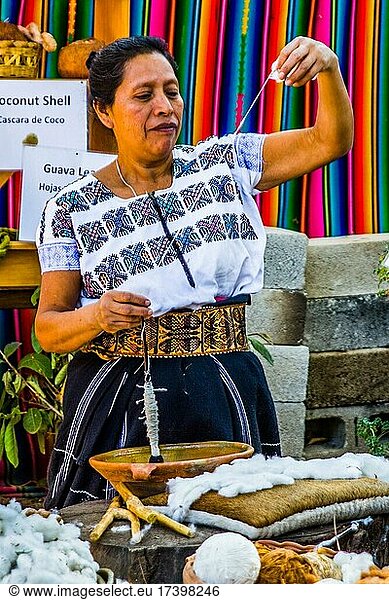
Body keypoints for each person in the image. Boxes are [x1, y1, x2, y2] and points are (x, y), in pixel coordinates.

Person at [35, 35, 353, 509]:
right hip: (123, 401)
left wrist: (326, 67)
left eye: (172, 90)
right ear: (104, 112)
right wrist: (97, 316)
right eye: (143, 96)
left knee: (233, 533)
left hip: (225, 388)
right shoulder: (69, 208)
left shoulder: (224, 164)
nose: (164, 106)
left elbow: (331, 139)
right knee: (119, 541)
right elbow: (49, 327)